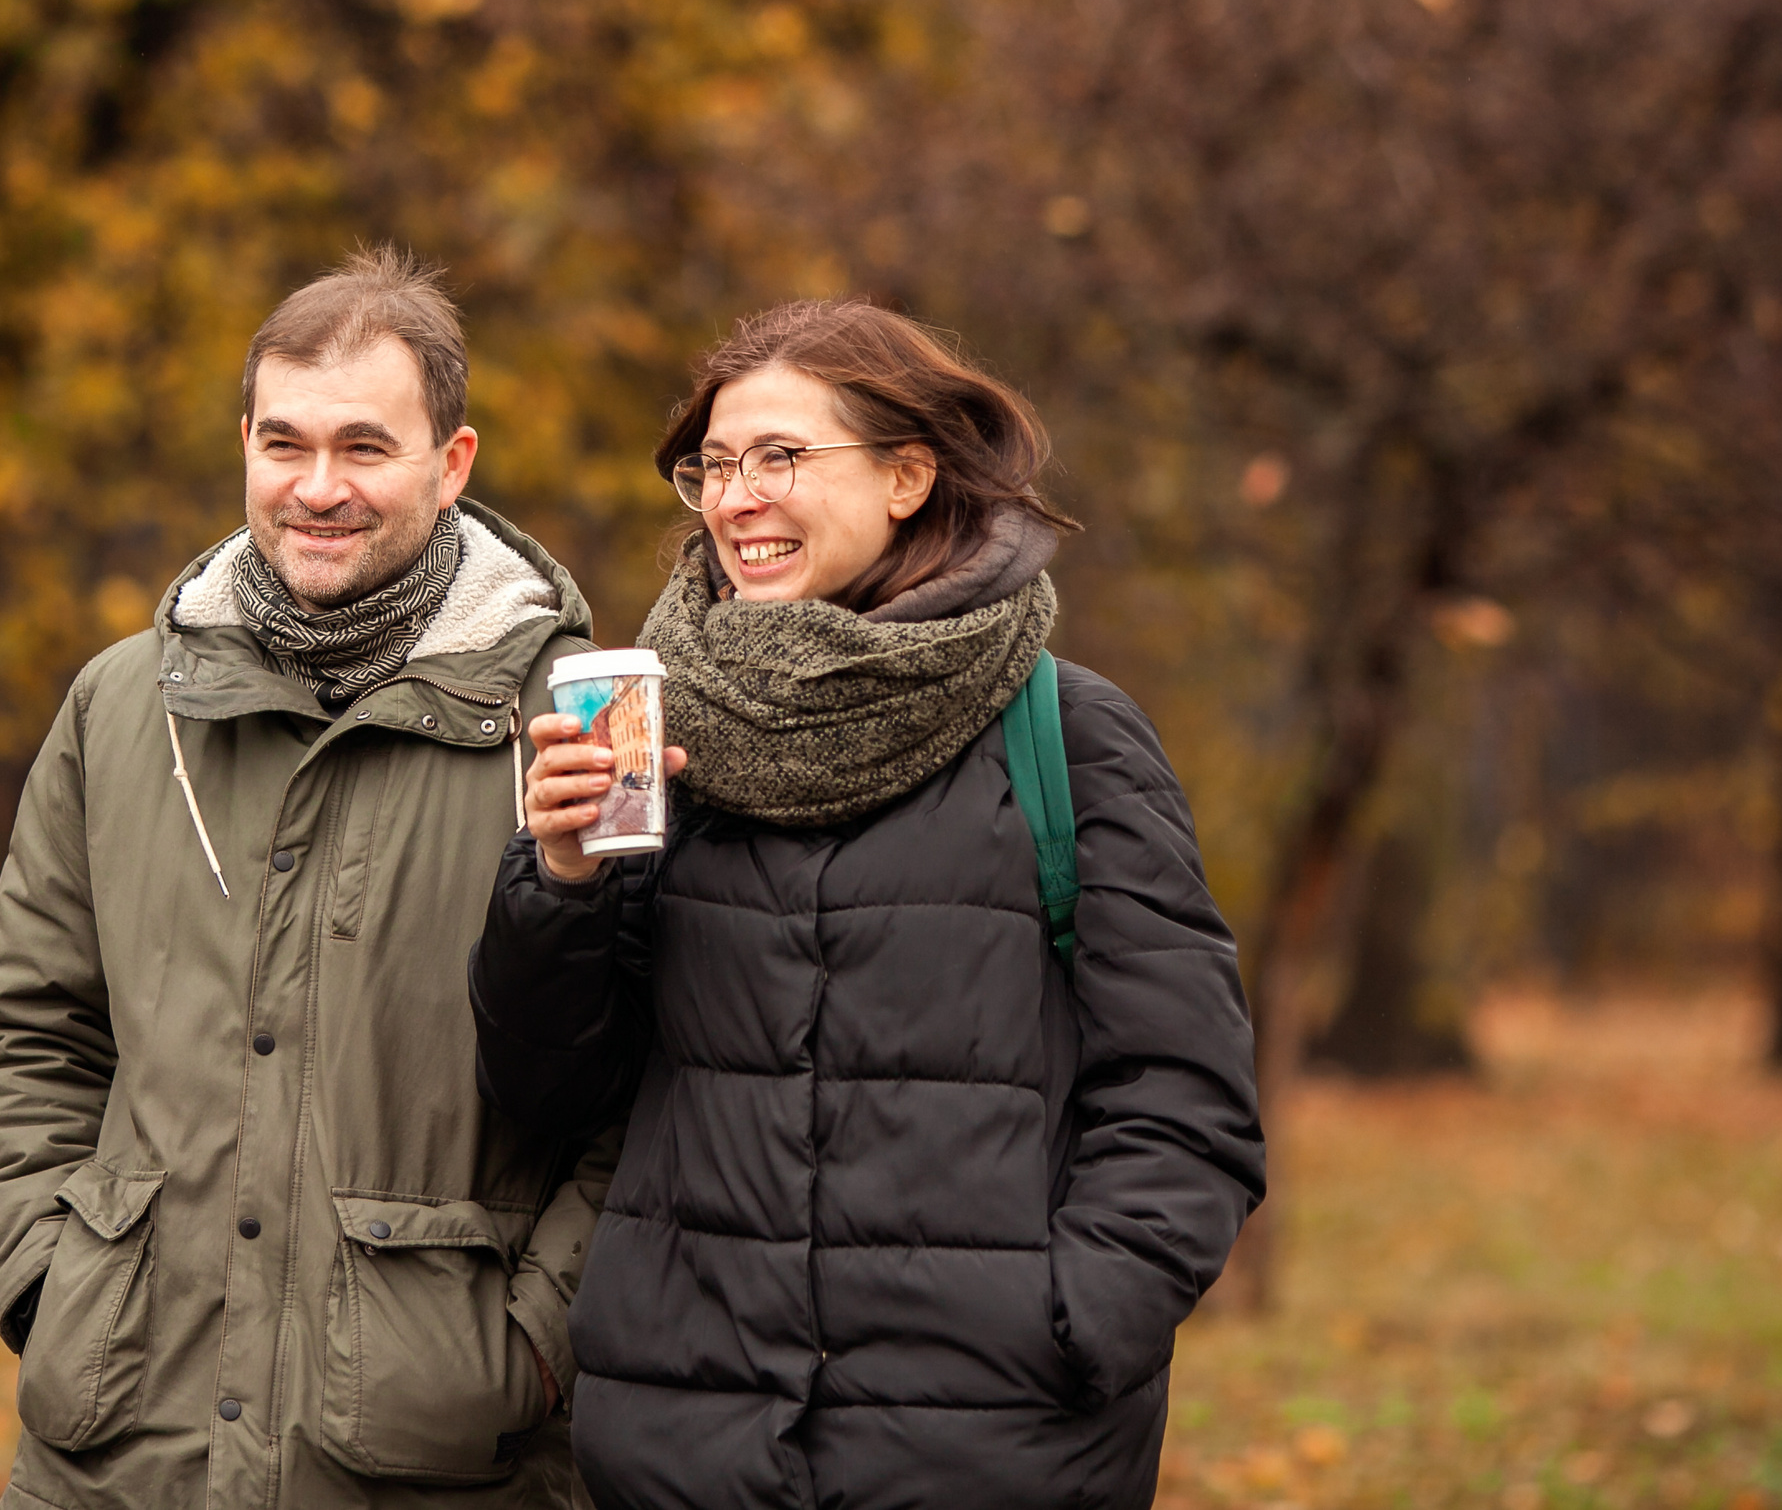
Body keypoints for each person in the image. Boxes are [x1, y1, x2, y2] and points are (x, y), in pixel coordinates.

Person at [469, 299, 1265, 1510]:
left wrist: (1073, 1330)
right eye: (714, 467)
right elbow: (548, 1093)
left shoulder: (1069, 737)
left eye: (782, 457)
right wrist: (562, 879)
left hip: (992, 1450)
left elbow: (1184, 1097)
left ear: (907, 476)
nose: (739, 499)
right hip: (692, 1446)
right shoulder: (657, 740)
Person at [0, 247, 609, 1510]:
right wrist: (47, 1282)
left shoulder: (573, 720)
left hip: (434, 1455)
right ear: (245, 445)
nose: (319, 488)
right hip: (122, 1445)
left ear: (452, 462)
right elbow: (32, 1028)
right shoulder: (120, 705)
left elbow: (649, 1087)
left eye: (366, 448)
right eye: (285, 444)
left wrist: (529, 1348)